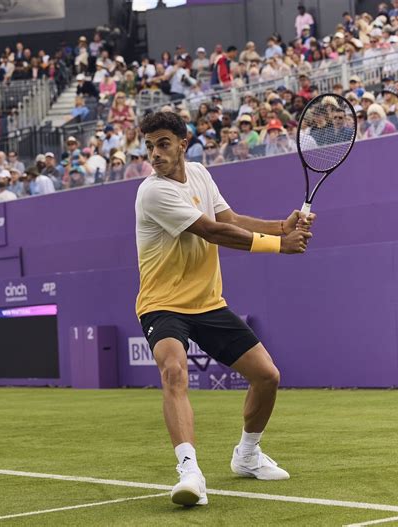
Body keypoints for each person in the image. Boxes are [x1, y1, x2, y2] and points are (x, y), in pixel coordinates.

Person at [136, 111, 315, 507]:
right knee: (174, 370)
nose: (155, 153)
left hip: (207, 302)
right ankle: (189, 472)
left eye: (163, 143)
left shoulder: (199, 173)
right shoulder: (152, 191)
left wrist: (279, 227)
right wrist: (278, 246)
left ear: (184, 143)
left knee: (267, 376)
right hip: (162, 303)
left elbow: (229, 219)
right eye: (149, 146)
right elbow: (211, 231)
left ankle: (247, 455)